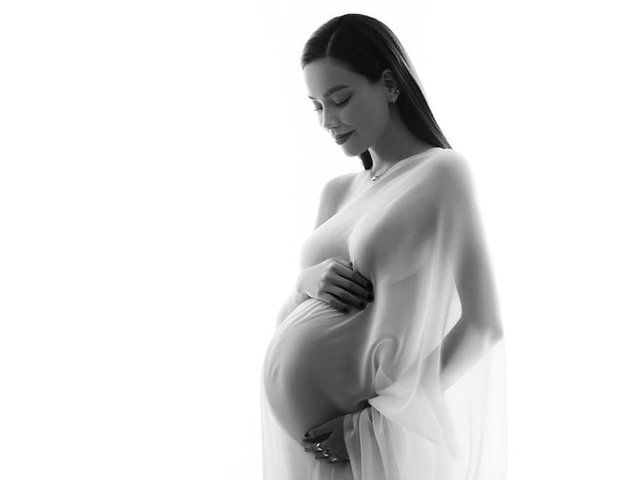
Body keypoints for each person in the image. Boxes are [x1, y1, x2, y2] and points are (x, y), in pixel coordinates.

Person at [261, 13, 506, 480]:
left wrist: (378, 423)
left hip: (374, 448)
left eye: (341, 99)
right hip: (313, 451)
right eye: (317, 106)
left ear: (390, 85)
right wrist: (305, 282)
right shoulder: (337, 192)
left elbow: (483, 326)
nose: (328, 121)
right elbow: (291, 321)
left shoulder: (441, 172)